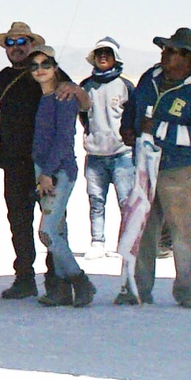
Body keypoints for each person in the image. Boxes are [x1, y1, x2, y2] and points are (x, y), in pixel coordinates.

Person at [120, 28, 191, 309]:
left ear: (187, 57)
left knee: (183, 233)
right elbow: (134, 107)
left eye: (171, 50)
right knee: (142, 230)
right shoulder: (150, 78)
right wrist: (128, 126)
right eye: (164, 48)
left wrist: (160, 129)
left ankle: (189, 293)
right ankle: (136, 289)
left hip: (179, 170)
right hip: (144, 166)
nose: (164, 54)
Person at [0, 22, 84, 300]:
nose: (16, 48)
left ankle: (58, 282)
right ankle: (24, 278)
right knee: (18, 221)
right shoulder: (3, 78)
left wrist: (76, 90)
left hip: (47, 164)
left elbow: (76, 97)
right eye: (11, 43)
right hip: (14, 163)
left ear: (32, 44)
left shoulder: (49, 71)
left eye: (22, 42)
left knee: (52, 226)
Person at [28, 44, 95, 308]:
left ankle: (80, 281)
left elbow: (63, 138)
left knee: (47, 231)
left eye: (45, 64)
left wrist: (47, 173)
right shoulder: (45, 99)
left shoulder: (63, 98)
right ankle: (64, 290)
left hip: (58, 171)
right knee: (58, 231)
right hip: (43, 169)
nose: (40, 70)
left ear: (55, 68)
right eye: (34, 66)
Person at [79, 37, 135, 258]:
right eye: (99, 53)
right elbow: (84, 117)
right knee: (96, 200)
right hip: (95, 155)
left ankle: (127, 242)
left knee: (126, 201)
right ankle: (97, 241)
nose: (103, 56)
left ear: (115, 58)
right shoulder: (86, 86)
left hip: (122, 154)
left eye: (107, 53)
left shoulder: (125, 85)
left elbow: (133, 116)